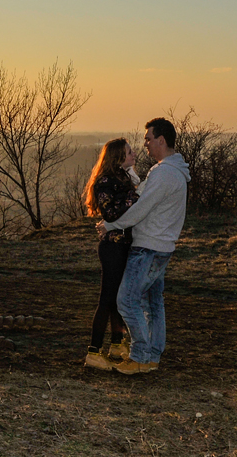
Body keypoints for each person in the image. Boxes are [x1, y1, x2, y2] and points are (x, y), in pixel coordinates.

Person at [97, 117, 190, 374]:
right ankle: (152, 357)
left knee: (126, 300)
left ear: (161, 140)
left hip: (148, 246)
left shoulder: (164, 173)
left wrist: (110, 225)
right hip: (163, 246)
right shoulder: (172, 171)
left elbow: (140, 210)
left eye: (148, 139)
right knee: (152, 303)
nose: (145, 144)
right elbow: (140, 197)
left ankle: (139, 357)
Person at [81, 138, 140, 370]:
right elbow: (111, 214)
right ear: (117, 156)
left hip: (123, 244)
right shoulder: (104, 182)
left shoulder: (123, 177)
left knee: (117, 298)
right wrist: (133, 198)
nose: (134, 154)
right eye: (129, 151)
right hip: (112, 247)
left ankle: (116, 343)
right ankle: (93, 352)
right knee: (106, 299)